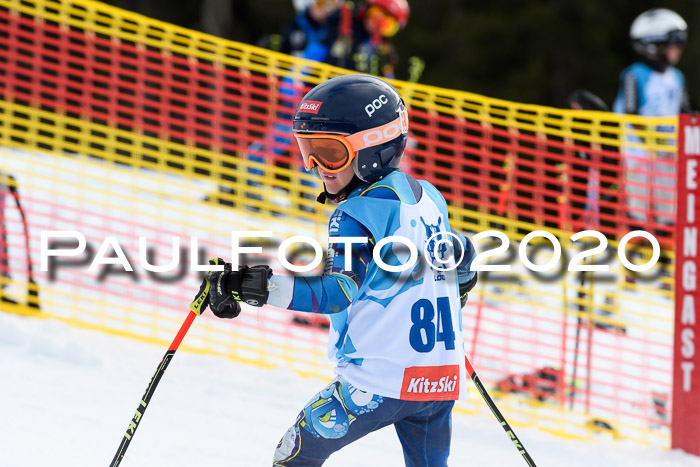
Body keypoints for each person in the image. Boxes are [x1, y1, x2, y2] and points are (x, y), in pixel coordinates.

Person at [193, 74, 478, 465]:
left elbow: (338, 291)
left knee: (292, 457)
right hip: (440, 380)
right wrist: (455, 287)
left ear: (373, 150)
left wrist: (255, 287)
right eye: (307, 150)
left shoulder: (353, 216)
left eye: (330, 153)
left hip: (380, 382)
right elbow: (463, 260)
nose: (316, 167)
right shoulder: (431, 197)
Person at [612, 8, 689, 229]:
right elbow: (631, 114)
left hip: (668, 157)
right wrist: (655, 141)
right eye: (675, 44)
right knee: (638, 210)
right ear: (657, 45)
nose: (679, 50)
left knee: (669, 212)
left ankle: (664, 258)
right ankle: (637, 259)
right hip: (639, 157)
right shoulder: (634, 74)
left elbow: (684, 113)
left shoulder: (677, 77)